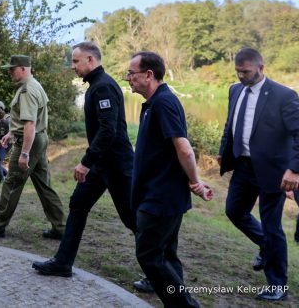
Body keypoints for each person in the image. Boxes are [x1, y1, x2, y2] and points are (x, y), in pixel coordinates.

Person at [32, 42, 139, 281]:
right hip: (101, 165)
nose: (72, 66)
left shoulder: (103, 87)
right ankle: (62, 262)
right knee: (78, 204)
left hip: (117, 166)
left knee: (132, 219)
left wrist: (86, 161)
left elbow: (108, 131)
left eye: (75, 61)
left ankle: (162, 274)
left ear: (90, 60)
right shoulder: (95, 85)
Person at [126, 51, 212, 308]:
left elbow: (184, 148)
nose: (128, 78)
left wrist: (195, 180)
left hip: (161, 197)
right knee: (167, 254)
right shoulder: (155, 103)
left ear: (149, 74)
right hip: (160, 193)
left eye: (131, 73)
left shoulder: (163, 103)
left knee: (149, 255)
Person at [218, 48, 299, 302]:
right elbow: (230, 124)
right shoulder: (234, 90)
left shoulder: (284, 96)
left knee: (272, 225)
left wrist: (294, 169)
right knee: (234, 211)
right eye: (238, 71)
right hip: (243, 166)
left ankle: (277, 284)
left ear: (261, 68)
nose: (241, 76)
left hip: (274, 171)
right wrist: (224, 152)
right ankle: (267, 247)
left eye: (246, 72)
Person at [0, 55, 65, 238]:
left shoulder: (27, 91)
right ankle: (61, 228)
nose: (9, 72)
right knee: (44, 186)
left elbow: (30, 124)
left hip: (29, 142)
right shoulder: (34, 85)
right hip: (38, 139)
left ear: (23, 68)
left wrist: (24, 153)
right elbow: (28, 121)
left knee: (11, 184)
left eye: (12, 68)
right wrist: (11, 133)